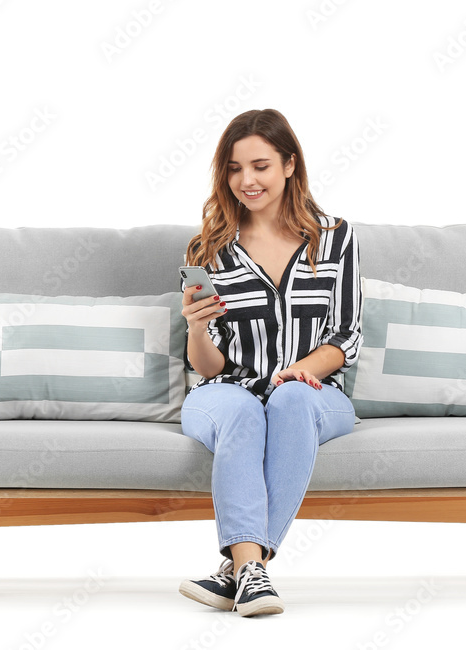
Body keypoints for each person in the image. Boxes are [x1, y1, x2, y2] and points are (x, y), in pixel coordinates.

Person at [176, 108, 363, 617]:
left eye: (259, 165)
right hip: (227, 391)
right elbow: (210, 368)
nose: (246, 181)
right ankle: (253, 573)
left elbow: (346, 335)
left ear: (289, 165)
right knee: (240, 409)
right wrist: (195, 325)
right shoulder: (208, 249)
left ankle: (237, 571)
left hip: (314, 394)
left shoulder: (335, 237)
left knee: (291, 398)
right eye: (234, 169)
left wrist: (304, 368)